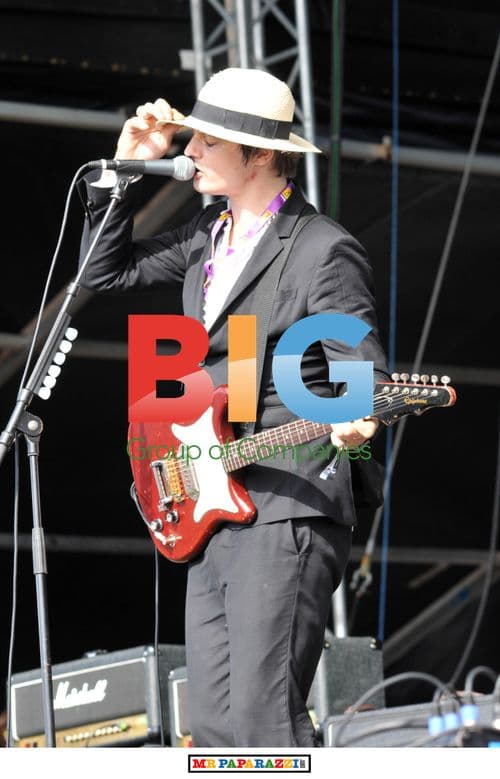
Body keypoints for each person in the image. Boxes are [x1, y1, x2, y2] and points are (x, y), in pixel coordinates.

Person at [79, 67, 389, 747]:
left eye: (208, 143)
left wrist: (359, 418)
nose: (189, 153)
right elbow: (106, 273)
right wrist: (127, 168)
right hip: (211, 504)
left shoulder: (319, 248)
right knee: (217, 729)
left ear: (261, 154)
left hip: (287, 502)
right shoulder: (205, 236)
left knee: (264, 719)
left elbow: (359, 370)